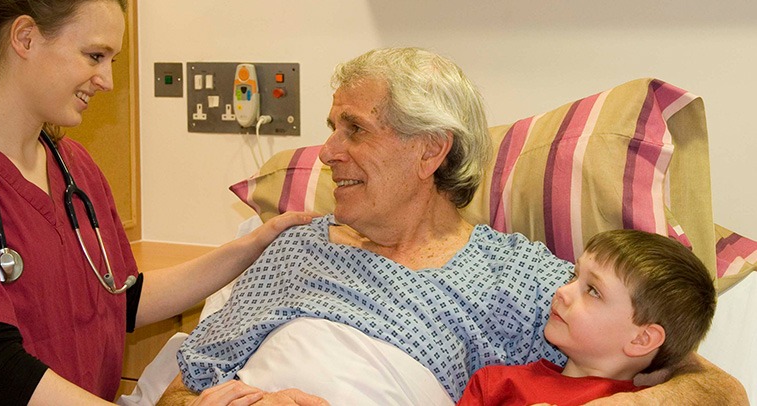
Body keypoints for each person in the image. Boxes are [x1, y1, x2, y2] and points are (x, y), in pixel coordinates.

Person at [160, 47, 747, 406]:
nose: (328, 151)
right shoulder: (296, 247)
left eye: (354, 130)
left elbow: (713, 388)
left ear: (430, 152)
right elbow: (182, 387)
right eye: (330, 129)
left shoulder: (517, 279)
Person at [0, 0, 314, 405]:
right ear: (25, 38)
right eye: (94, 56)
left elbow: (120, 299)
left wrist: (251, 247)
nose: (106, 80)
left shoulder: (72, 167)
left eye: (112, 61)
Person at [457, 229, 717, 406]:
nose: (562, 291)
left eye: (593, 290)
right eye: (574, 275)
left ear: (642, 338)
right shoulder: (497, 385)